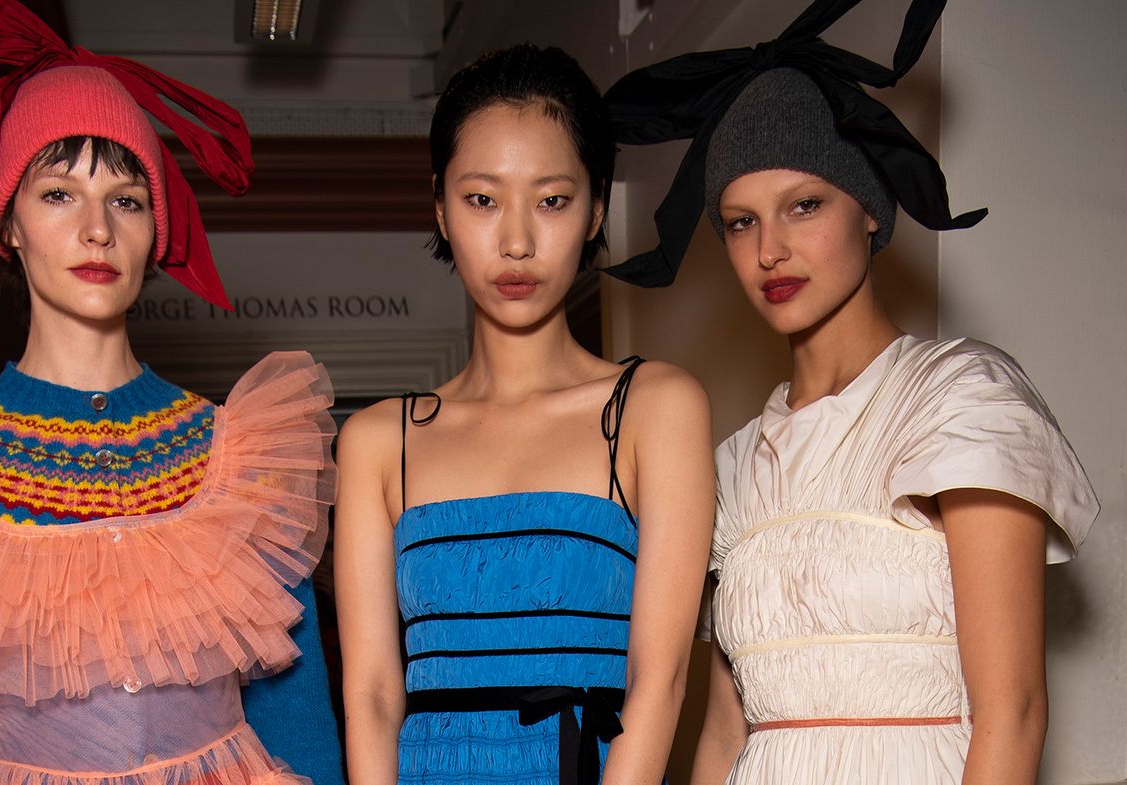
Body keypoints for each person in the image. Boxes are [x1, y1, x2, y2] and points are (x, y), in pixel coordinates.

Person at [602, 1, 1100, 784]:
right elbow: (723, 738)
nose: (771, 250)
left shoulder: (961, 401)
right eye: (739, 222)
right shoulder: (731, 469)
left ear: (869, 206)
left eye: (805, 205)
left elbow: (1016, 712)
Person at [0, 2, 343, 784]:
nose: (97, 228)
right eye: (57, 194)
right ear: (6, 223)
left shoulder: (243, 456)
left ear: (158, 230)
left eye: (127, 198)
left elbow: (299, 715)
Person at [333, 44, 714, 785]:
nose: (516, 241)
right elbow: (374, 695)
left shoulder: (654, 408)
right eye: (482, 199)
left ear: (597, 207)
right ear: (439, 207)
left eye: (552, 200)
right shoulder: (379, 442)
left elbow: (659, 683)